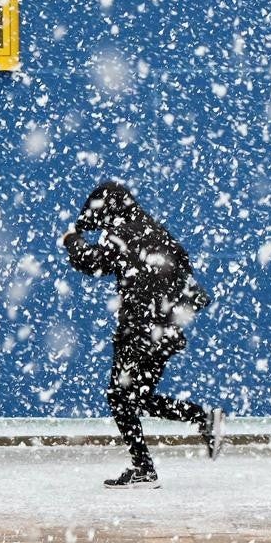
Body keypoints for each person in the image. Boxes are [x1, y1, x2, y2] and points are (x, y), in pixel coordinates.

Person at [61, 181, 224, 489]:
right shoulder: (156, 230)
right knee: (137, 397)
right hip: (163, 332)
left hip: (139, 330)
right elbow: (186, 276)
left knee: (120, 397)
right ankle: (202, 417)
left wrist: (72, 240)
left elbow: (94, 262)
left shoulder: (120, 232)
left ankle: (144, 468)